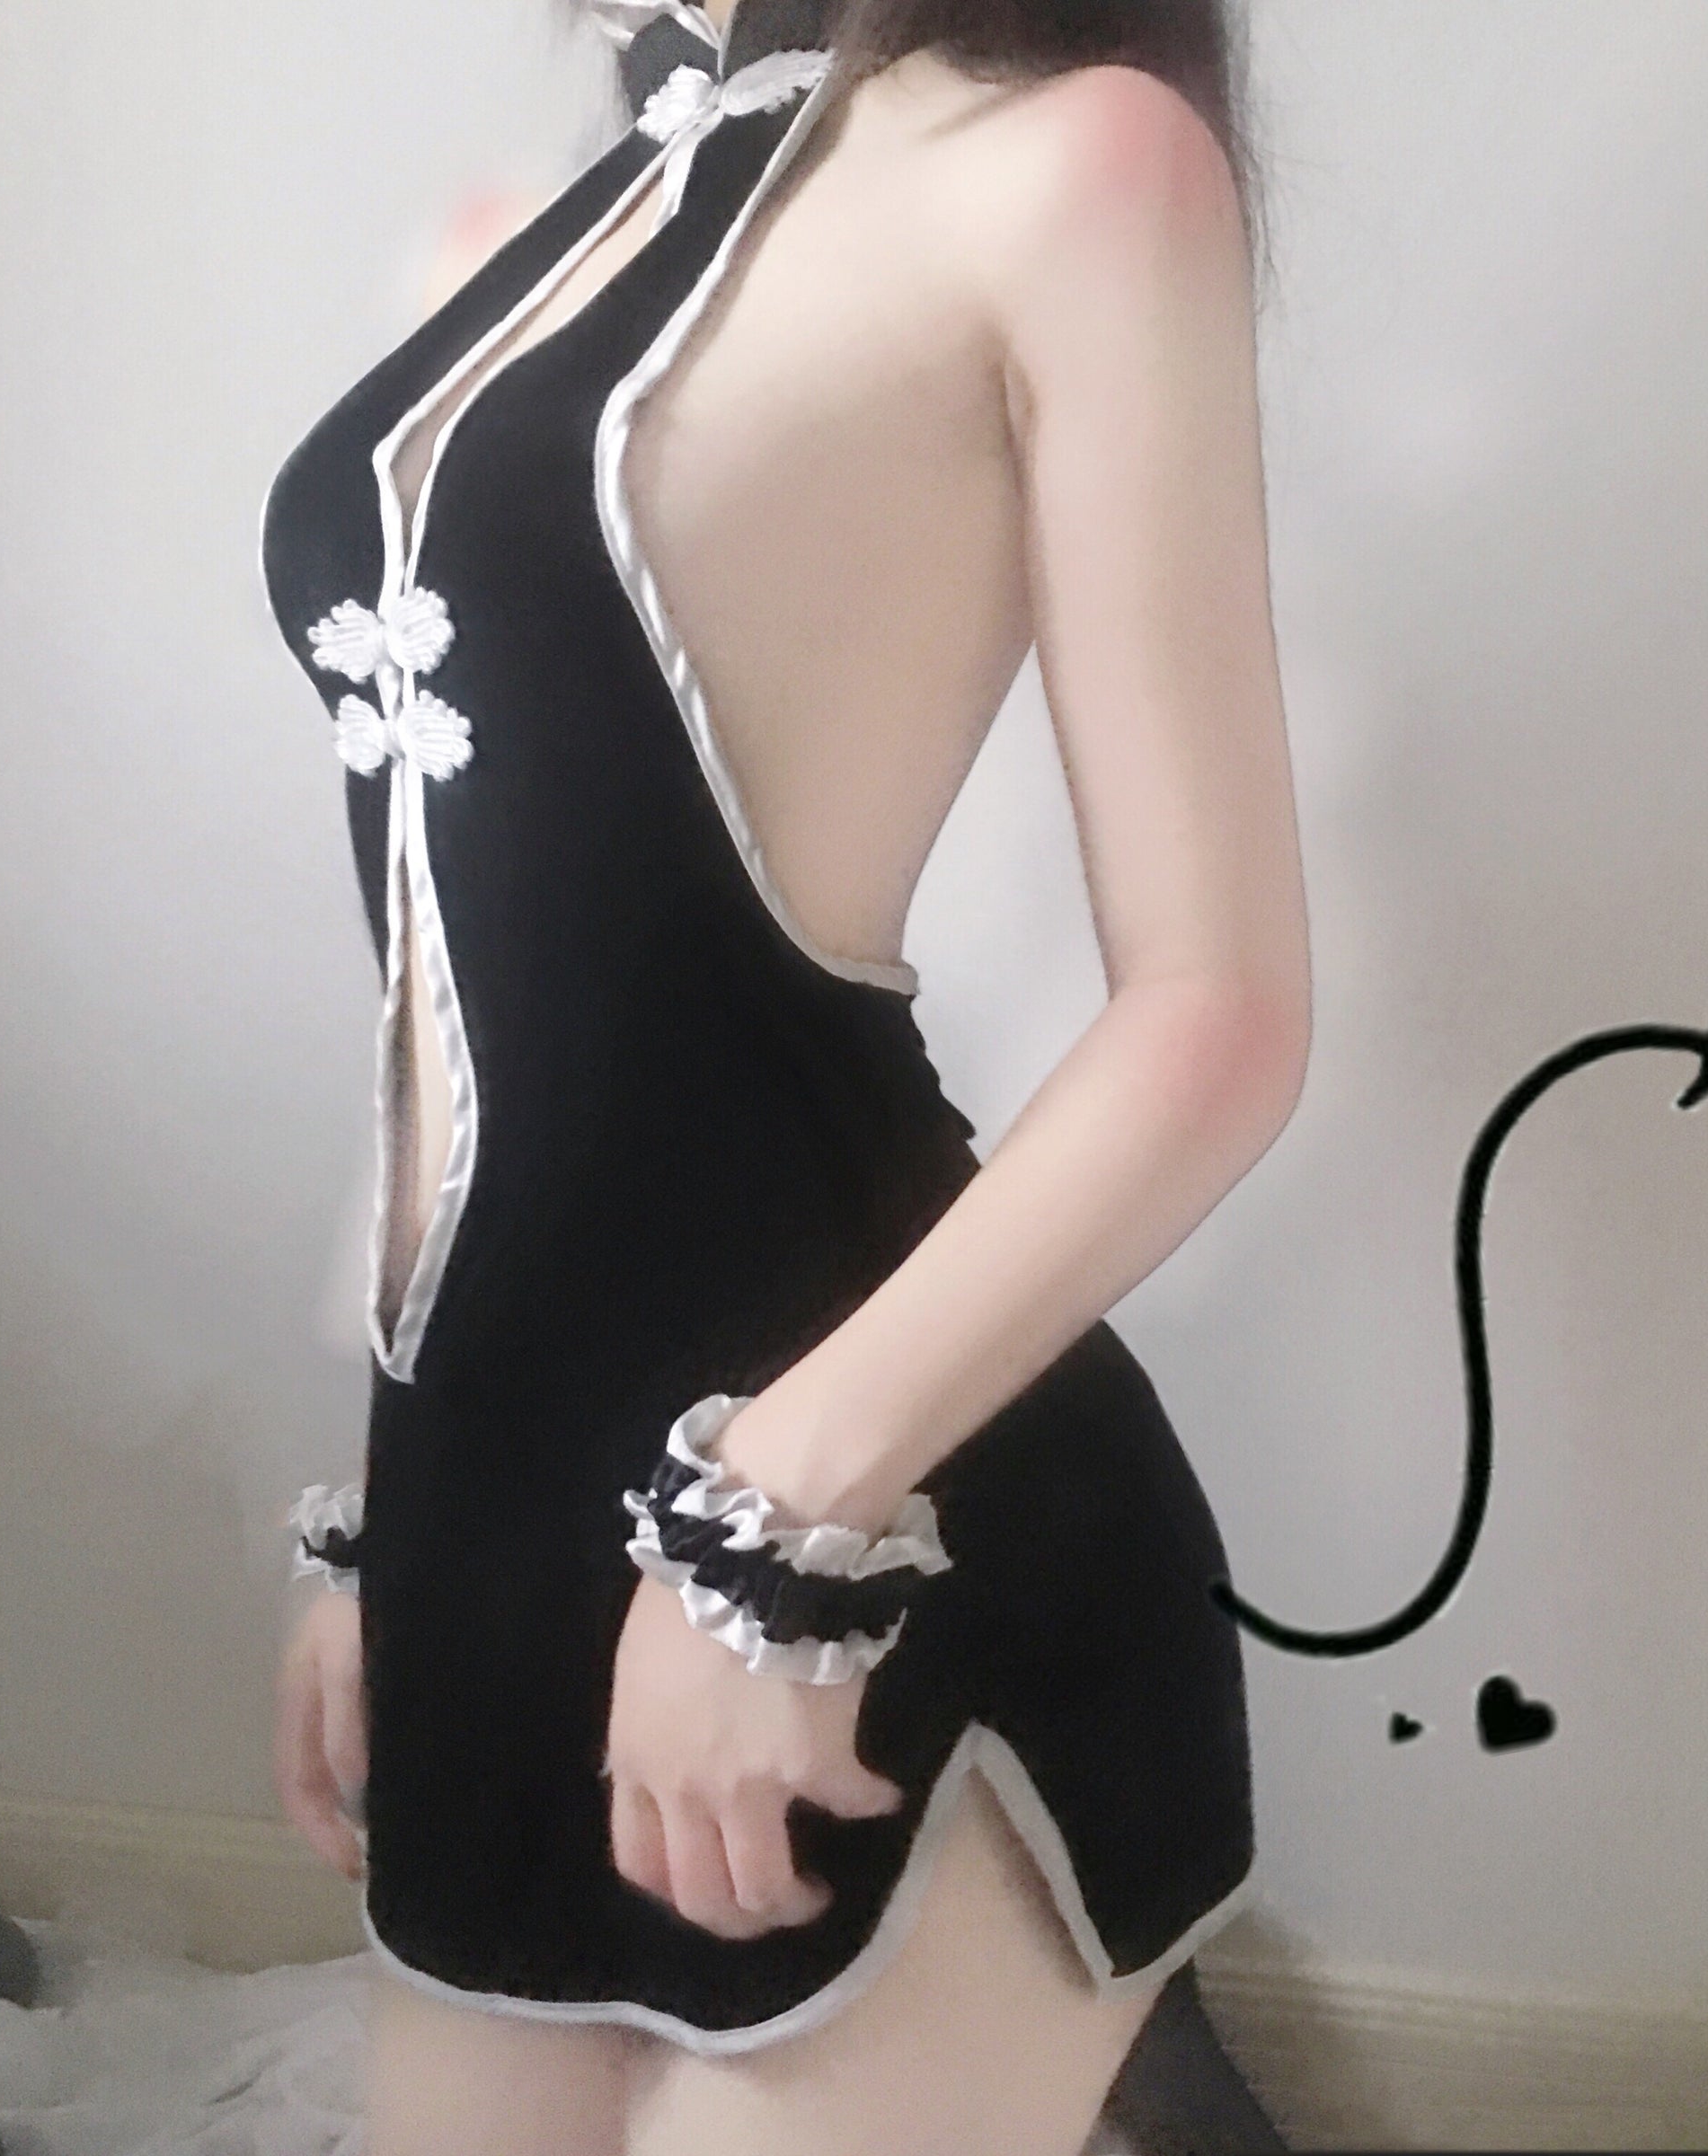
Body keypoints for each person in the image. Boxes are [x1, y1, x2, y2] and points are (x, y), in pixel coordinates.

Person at [259, 0, 1308, 2149]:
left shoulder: (1074, 174)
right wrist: (385, 1511)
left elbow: (1217, 1013)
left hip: (880, 1516)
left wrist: (772, 1538)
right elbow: (443, 998)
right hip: (489, 1507)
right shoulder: (513, 244)